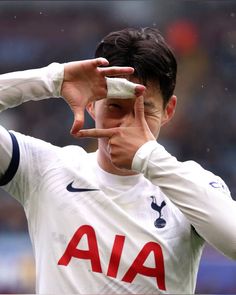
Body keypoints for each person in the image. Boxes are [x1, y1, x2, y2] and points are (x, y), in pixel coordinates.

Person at [0, 27, 235, 294]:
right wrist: (52, 80)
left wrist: (148, 157)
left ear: (168, 111)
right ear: (91, 104)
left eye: (144, 111)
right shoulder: (44, 169)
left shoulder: (190, 185)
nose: (128, 125)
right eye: (115, 107)